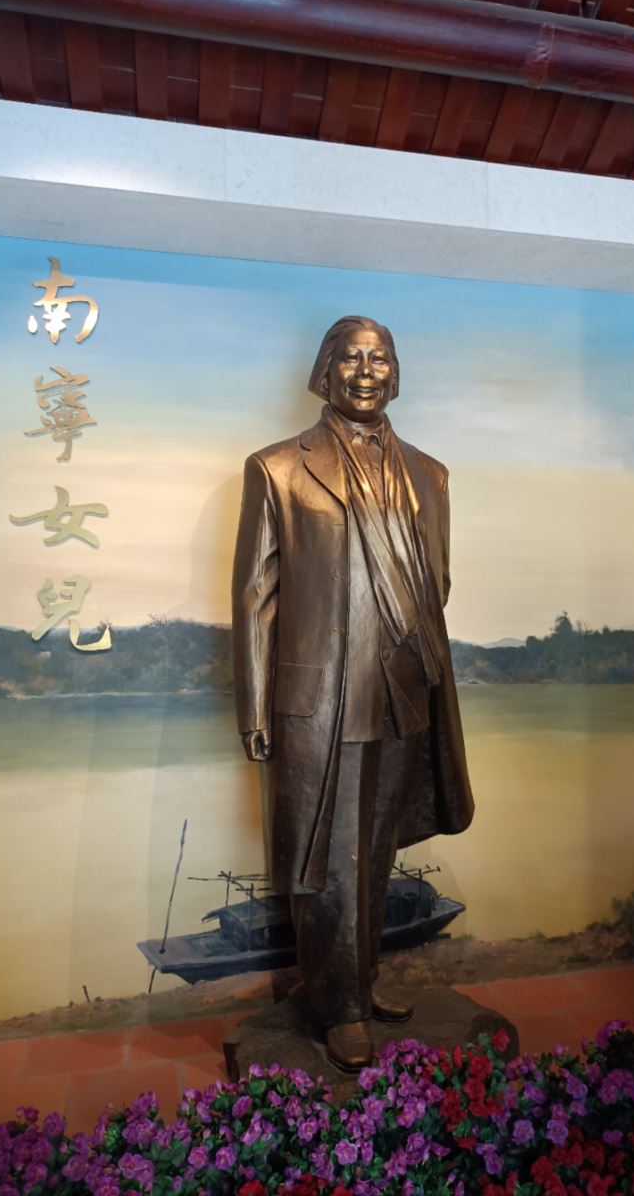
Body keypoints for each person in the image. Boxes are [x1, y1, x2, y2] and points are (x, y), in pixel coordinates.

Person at [232, 315, 473, 1071]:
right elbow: (255, 596)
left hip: (405, 686)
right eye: (350, 357)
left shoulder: (430, 475)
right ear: (324, 370)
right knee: (327, 854)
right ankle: (336, 1006)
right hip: (323, 696)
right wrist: (254, 705)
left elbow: (436, 582)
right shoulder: (277, 468)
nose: (366, 371)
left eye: (380, 358)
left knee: (373, 848)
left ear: (395, 374)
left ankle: (359, 982)